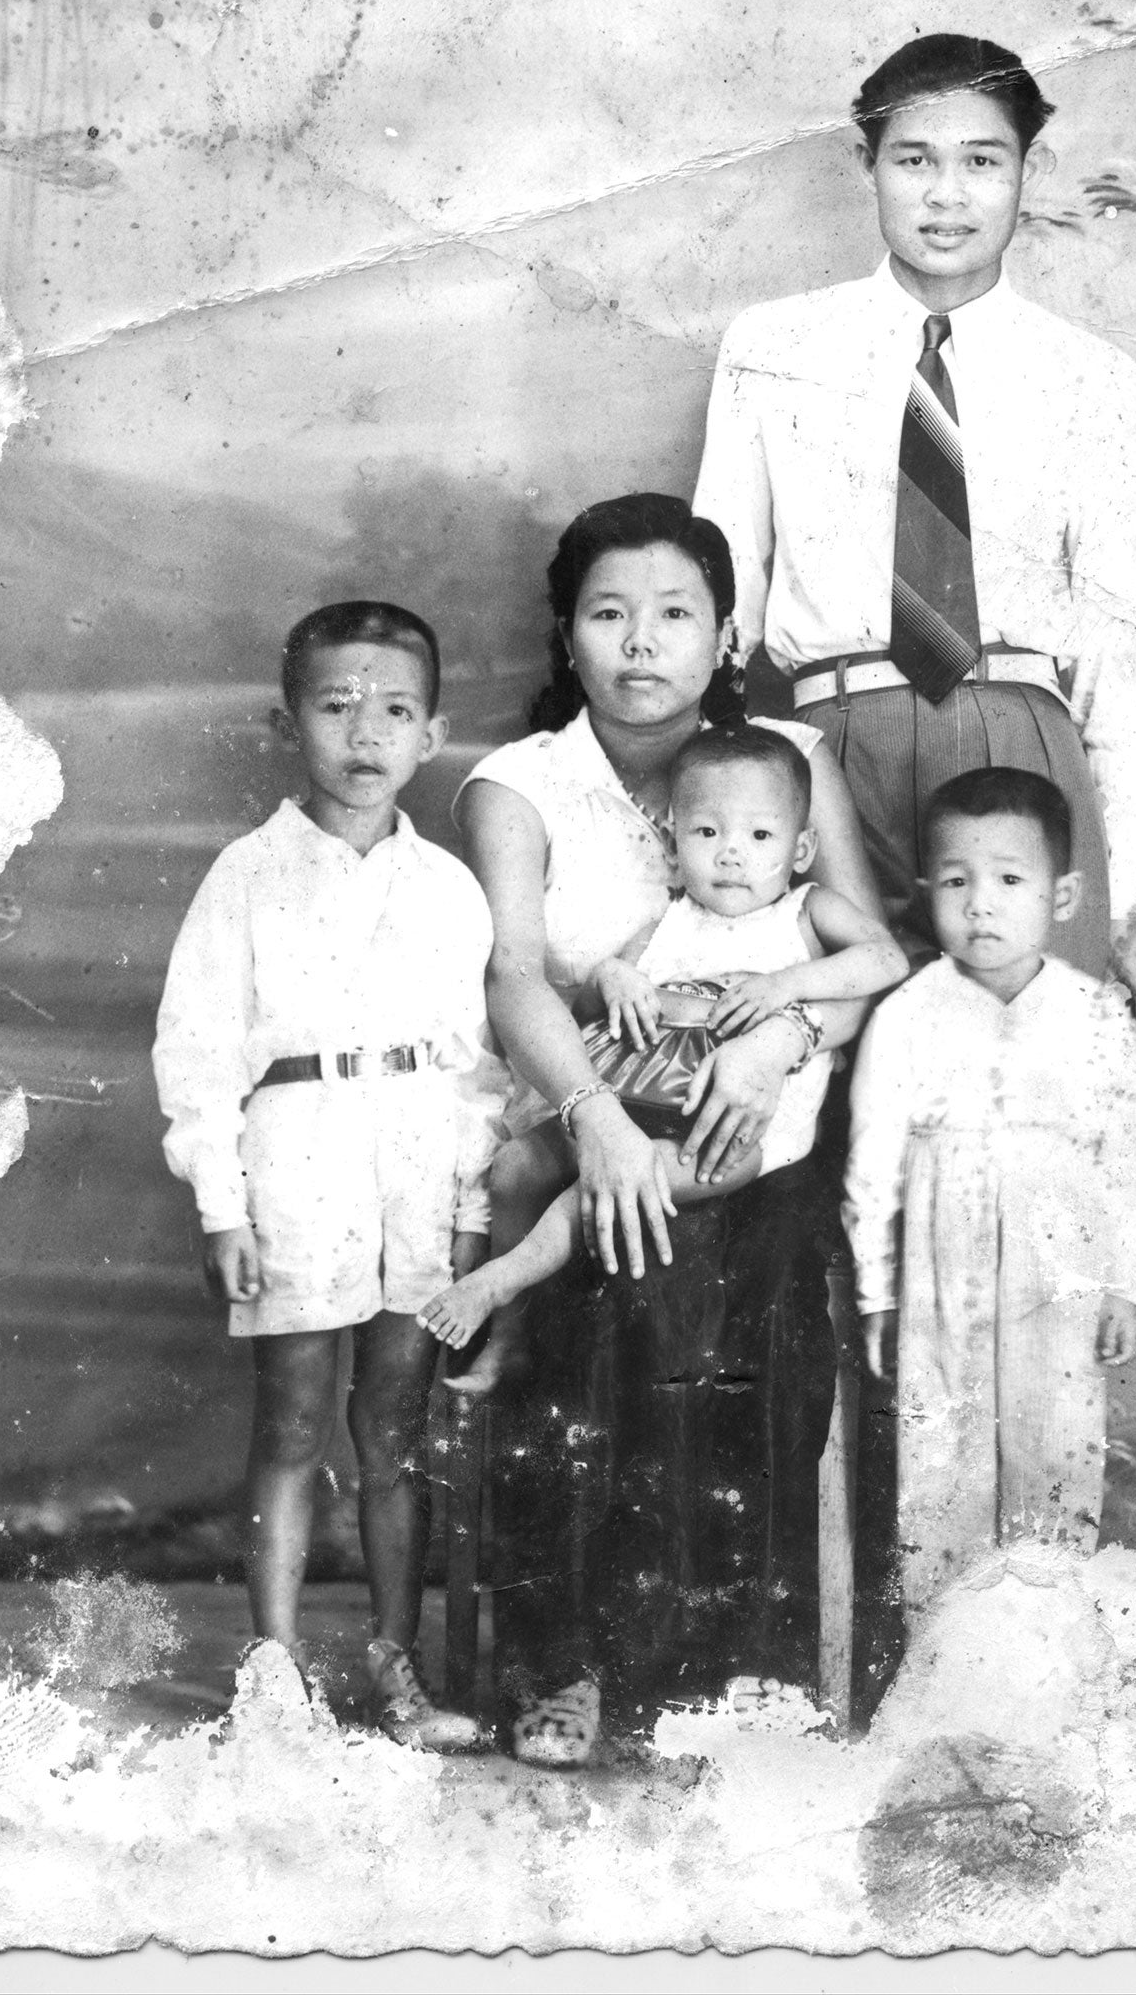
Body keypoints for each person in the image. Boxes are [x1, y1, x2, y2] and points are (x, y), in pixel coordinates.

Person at [455, 491, 884, 1766]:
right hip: (595, 1115)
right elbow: (516, 975)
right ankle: (568, 1660)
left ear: (723, 632)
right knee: (607, 1289)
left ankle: (730, 1671)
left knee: (771, 1295)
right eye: (609, 615)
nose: (642, 643)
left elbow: (864, 953)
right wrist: (595, 1121)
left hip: (767, 1126)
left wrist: (781, 1038)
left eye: (675, 614)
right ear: (568, 637)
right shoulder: (522, 783)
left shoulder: (788, 758)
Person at [693, 32, 1136, 1027]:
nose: (946, 195)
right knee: (834, 1085)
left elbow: (1133, 659)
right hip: (833, 748)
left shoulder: (1093, 379)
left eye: (981, 161)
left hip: (1023, 751)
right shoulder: (772, 347)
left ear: (1028, 170)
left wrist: (1129, 890)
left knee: (1019, 1095)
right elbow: (721, 589)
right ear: (865, 165)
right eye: (915, 160)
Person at [151, 601, 505, 1751]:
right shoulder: (246, 875)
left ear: (433, 731)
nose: (366, 733)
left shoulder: (449, 886)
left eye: (396, 710)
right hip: (294, 1160)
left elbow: (474, 1067)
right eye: (336, 705)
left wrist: (466, 1213)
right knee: (295, 1419)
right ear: (286, 719)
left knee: (393, 1429)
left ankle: (400, 1665)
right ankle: (273, 1670)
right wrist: (220, 1202)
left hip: (413, 1161)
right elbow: (198, 1051)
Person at [420, 725, 904, 1354]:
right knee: (515, 1168)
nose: (732, 854)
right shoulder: (668, 920)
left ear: (802, 847)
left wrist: (788, 985)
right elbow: (601, 994)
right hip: (635, 1100)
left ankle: (501, 1282)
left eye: (760, 836)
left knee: (628, 1177)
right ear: (673, 850)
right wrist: (616, 977)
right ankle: (504, 1342)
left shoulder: (807, 913)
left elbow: (886, 960)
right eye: (707, 833)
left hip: (734, 1137)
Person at [842, 767, 1136, 1621]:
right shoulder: (908, 1014)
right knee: (941, 1456)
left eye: (1009, 880)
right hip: (941, 1270)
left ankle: (1049, 1654)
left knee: (1053, 1447)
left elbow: (1130, 1157)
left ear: (1062, 895)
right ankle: (946, 1660)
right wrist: (879, 1295)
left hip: (1059, 1269)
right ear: (925, 896)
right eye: (956, 882)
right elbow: (872, 1168)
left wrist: (1121, 1282)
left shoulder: (1094, 1014)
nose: (980, 904)